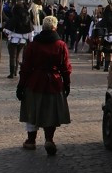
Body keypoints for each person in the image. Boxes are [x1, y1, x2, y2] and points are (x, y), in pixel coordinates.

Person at [16, 14, 71, 155]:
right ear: (55, 27)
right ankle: (49, 139)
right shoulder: (61, 45)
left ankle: (31, 141)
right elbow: (65, 67)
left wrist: (21, 85)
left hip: (35, 82)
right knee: (50, 112)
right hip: (54, 82)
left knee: (32, 110)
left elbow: (26, 67)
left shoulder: (34, 45)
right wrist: (66, 83)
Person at [5, 0, 33, 78]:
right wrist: (31, 40)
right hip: (23, 41)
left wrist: (4, 30)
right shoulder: (27, 19)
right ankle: (15, 72)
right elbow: (30, 30)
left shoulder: (14, 18)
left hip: (13, 40)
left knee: (12, 56)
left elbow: (7, 30)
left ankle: (12, 73)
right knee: (17, 56)